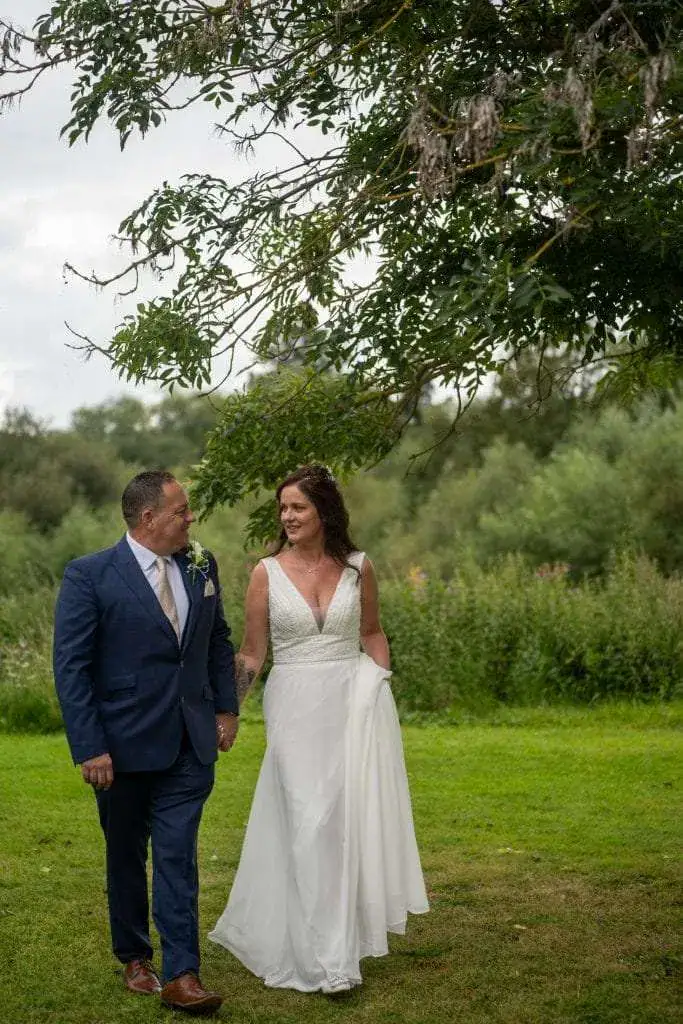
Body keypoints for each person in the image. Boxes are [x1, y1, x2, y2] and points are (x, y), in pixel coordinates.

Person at [209, 464, 428, 992]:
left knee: (338, 822)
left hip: (352, 701)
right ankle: (323, 953)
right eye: (283, 508)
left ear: (324, 512)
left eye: (298, 507)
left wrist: (379, 681)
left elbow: (372, 633)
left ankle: (335, 953)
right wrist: (230, 709)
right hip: (295, 703)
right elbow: (253, 652)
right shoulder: (266, 572)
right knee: (308, 818)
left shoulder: (358, 567)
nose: (287, 516)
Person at [53, 470, 239, 1015]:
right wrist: (90, 746)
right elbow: (72, 667)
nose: (190, 519)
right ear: (148, 518)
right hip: (121, 746)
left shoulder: (202, 565)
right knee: (127, 855)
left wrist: (225, 707)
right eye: (181, 511)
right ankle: (135, 956)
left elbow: (219, 638)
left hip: (189, 742)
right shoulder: (89, 575)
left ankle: (184, 974)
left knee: (178, 856)